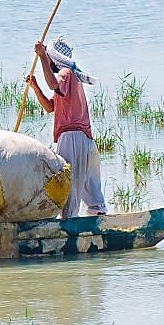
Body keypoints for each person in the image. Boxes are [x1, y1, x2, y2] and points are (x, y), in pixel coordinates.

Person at [26, 36, 107, 217]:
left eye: (49, 58)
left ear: (54, 59)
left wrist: (41, 57)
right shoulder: (71, 77)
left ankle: (69, 222)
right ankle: (97, 215)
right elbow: (50, 107)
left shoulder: (66, 74)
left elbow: (53, 84)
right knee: (88, 182)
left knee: (68, 182)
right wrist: (36, 88)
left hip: (71, 136)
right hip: (84, 138)